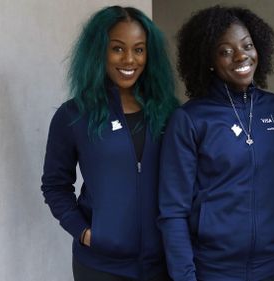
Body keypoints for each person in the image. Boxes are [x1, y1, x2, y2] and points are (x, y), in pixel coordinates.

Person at [157, 5, 274, 281]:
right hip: (213, 271)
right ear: (210, 60)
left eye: (247, 46)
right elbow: (173, 212)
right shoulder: (190, 119)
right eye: (225, 51)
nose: (241, 56)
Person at [41, 6, 178, 281]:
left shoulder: (169, 112)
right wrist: (84, 232)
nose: (129, 59)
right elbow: (55, 185)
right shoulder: (73, 115)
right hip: (100, 266)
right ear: (99, 51)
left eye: (139, 49)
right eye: (117, 48)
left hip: (162, 263)